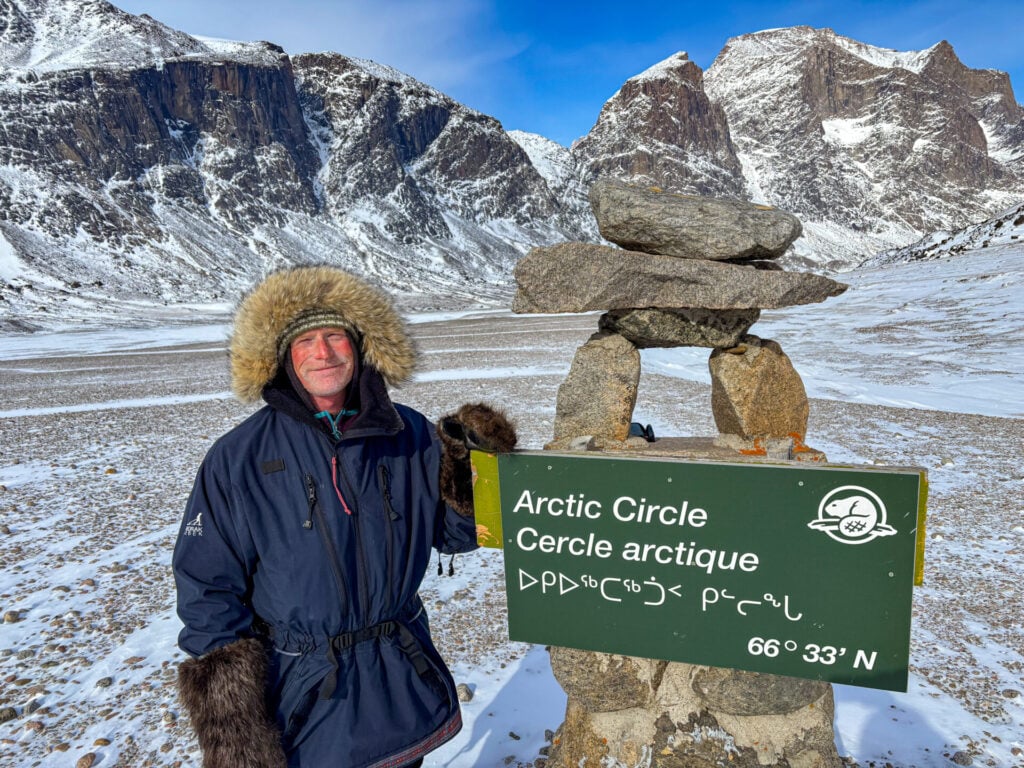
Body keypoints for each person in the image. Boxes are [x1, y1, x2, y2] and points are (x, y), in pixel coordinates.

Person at [172, 265, 516, 768]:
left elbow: (453, 534)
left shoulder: (410, 433)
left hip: (397, 674)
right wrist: (235, 728)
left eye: (335, 336)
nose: (323, 353)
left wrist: (473, 475)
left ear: (361, 347)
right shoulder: (237, 458)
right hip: (303, 691)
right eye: (305, 340)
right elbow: (207, 587)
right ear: (282, 358)